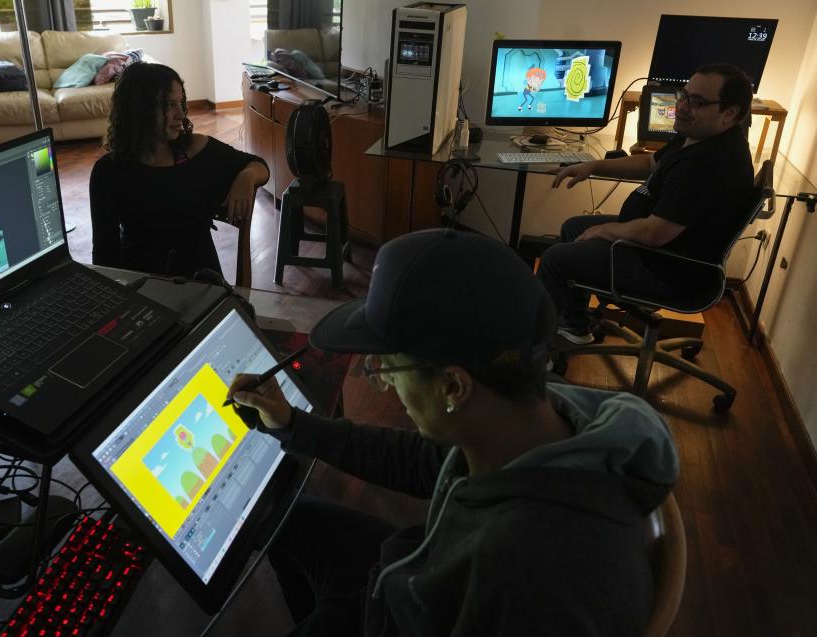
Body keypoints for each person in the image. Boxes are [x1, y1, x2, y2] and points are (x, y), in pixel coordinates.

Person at [227, 228, 680, 636]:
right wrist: (291, 424)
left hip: (409, 609)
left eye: (387, 364)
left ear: (453, 385)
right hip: (408, 591)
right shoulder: (543, 416)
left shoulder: (527, 575)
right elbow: (419, 460)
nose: (380, 378)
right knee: (286, 516)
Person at [537, 63, 755, 344]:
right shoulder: (701, 136)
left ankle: (529, 358)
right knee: (574, 227)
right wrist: (592, 166)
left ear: (729, 113)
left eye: (697, 102)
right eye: (683, 95)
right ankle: (575, 325)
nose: (683, 107)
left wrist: (604, 230)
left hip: (669, 269)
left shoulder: (709, 164)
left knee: (556, 260)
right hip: (658, 250)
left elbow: (655, 232)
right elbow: (650, 162)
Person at [90, 62, 269, 278]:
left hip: (201, 283)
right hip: (142, 287)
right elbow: (104, 258)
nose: (181, 115)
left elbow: (259, 165)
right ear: (140, 108)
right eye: (169, 105)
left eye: (181, 103)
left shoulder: (196, 151)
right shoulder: (108, 172)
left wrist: (246, 176)